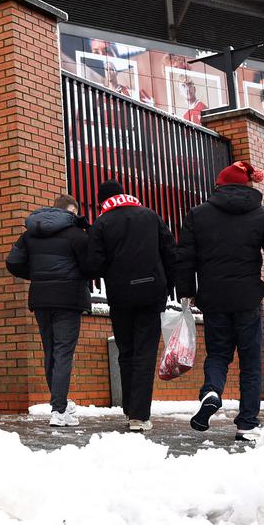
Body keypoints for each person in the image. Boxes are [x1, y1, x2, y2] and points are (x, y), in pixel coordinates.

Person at [176, 161, 264, 441]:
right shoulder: (263, 215)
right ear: (247, 185)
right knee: (250, 361)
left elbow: (184, 257)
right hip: (248, 297)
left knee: (218, 354)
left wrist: (188, 291)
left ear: (220, 186)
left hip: (213, 297)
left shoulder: (198, 214)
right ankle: (247, 423)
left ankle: (211, 391)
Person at [86, 180, 176, 432]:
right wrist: (167, 286)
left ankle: (129, 408)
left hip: (121, 295)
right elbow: (170, 252)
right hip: (152, 293)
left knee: (126, 351)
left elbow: (93, 265)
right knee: (145, 352)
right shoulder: (150, 215)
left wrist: (112, 272)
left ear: (103, 200)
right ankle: (139, 415)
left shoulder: (102, 223)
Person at [6, 194, 91, 427]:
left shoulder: (30, 234)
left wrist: (38, 276)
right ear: (70, 211)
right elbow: (90, 265)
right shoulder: (76, 234)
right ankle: (59, 410)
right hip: (68, 299)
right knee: (63, 353)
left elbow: (12, 262)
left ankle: (59, 403)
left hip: (41, 299)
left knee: (50, 351)